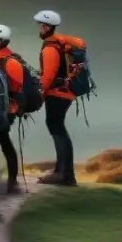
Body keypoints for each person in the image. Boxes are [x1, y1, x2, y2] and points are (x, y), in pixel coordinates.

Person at [34, 10, 77, 186]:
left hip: (57, 93)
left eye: (40, 25)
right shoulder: (60, 44)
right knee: (58, 128)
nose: (39, 29)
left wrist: (39, 95)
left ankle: (64, 175)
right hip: (66, 91)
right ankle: (63, 172)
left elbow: (49, 76)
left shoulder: (50, 48)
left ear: (46, 27)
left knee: (56, 128)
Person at [0, 24, 23, 196]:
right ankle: (10, 182)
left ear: (1, 41)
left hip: (6, 110)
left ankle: (4, 183)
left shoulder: (8, 62)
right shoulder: (5, 59)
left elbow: (15, 88)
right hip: (6, 109)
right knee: (4, 142)